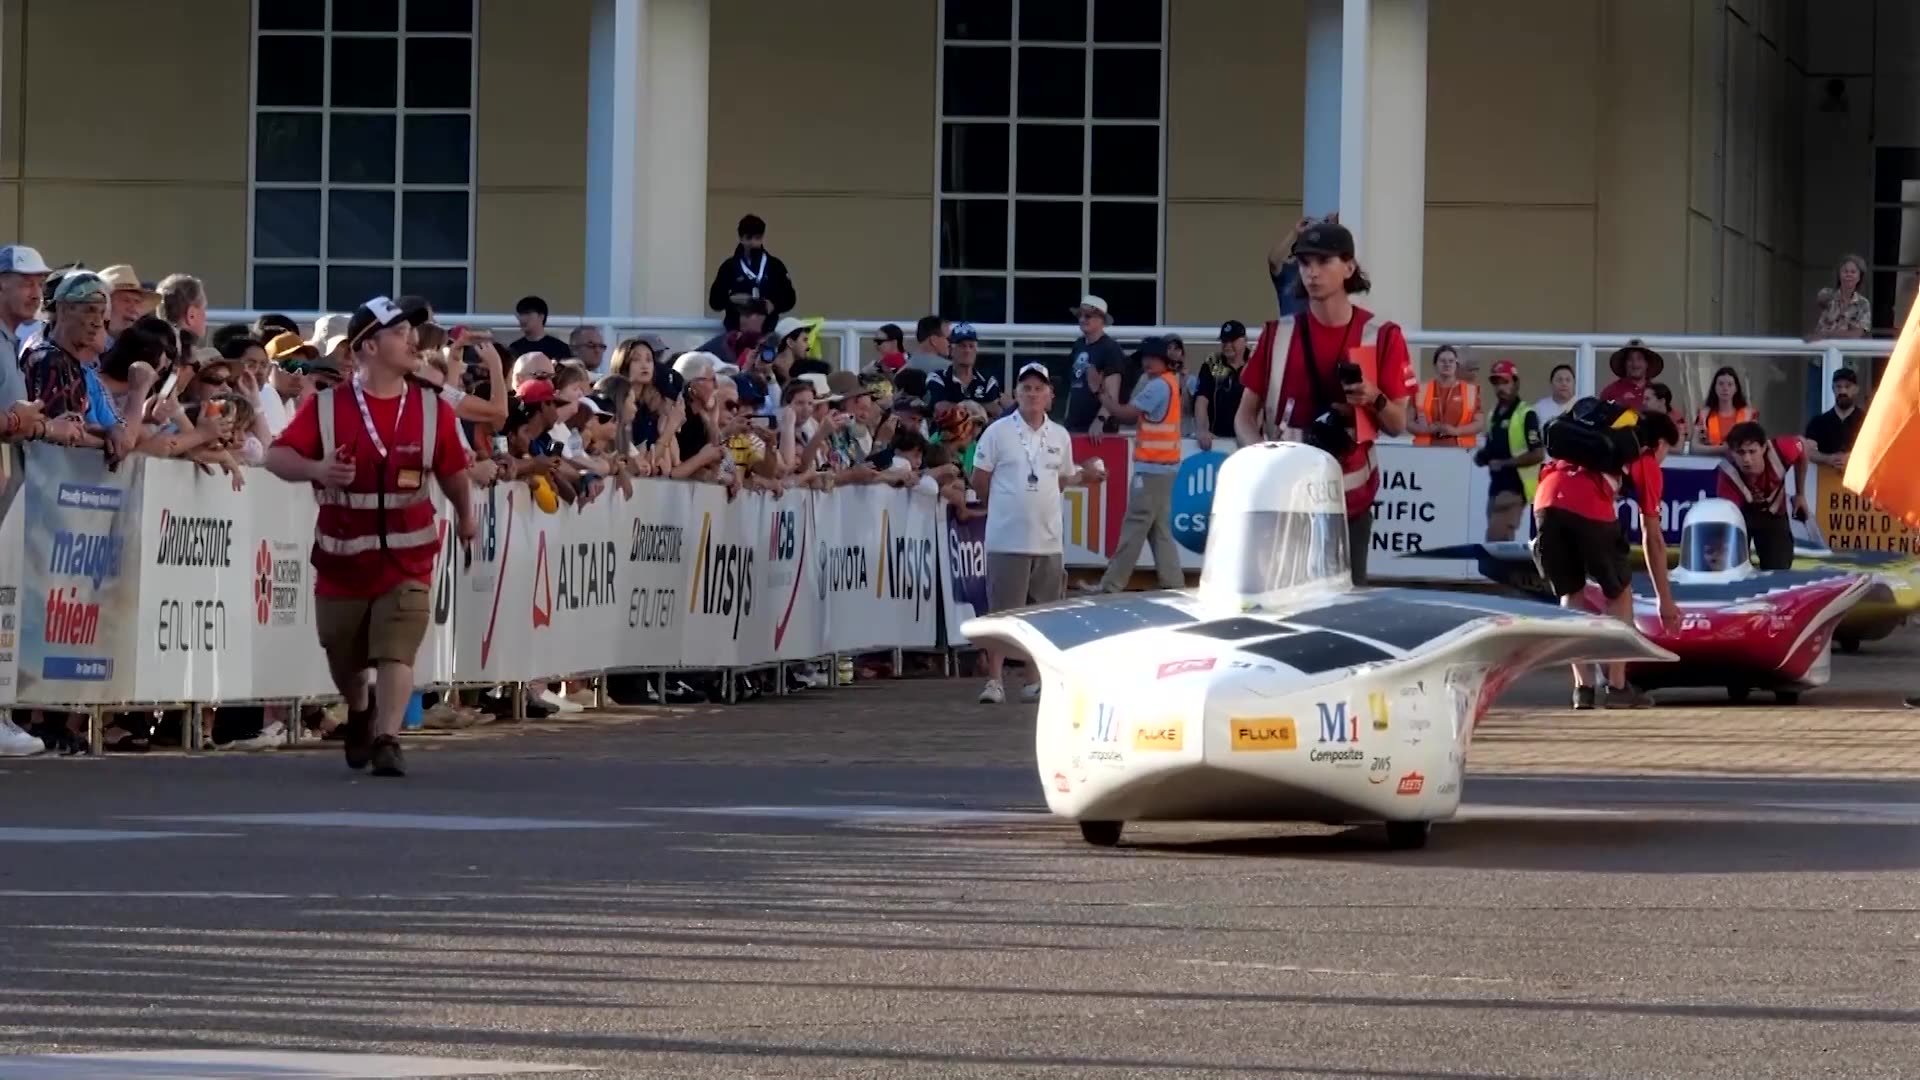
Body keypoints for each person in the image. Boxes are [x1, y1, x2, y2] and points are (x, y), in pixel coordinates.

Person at [265, 296, 475, 778]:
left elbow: (453, 473)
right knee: (344, 655)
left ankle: (388, 738)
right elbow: (276, 458)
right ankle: (358, 708)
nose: (413, 342)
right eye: (400, 334)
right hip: (342, 560)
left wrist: (467, 516)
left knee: (397, 650)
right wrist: (318, 469)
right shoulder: (326, 407)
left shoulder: (430, 408)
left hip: (409, 558)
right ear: (369, 347)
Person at [1233, 220, 1415, 585]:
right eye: (1304, 263)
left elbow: (1398, 423)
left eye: (1323, 262)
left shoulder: (1382, 336)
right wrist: (1261, 468)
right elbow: (1244, 418)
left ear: (1349, 268)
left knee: (1344, 614)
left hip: (1350, 504)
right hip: (1284, 502)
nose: (1311, 273)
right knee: (1280, 613)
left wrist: (1372, 397)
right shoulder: (1276, 334)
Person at [1531, 410, 1683, 710]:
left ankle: (1582, 689)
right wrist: (1665, 600)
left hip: (1546, 499)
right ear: (1661, 443)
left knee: (1570, 592)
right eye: (1669, 451)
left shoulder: (1588, 443)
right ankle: (1617, 687)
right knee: (1619, 591)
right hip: (1588, 503)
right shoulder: (1646, 459)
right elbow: (1652, 538)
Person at [972, 363, 1104, 704]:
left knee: (1043, 615)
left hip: (1047, 538)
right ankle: (995, 681)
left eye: (1038, 388)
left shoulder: (1059, 435)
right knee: (1002, 614)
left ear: (1050, 396)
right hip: (1006, 538)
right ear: (1016, 394)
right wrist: (1005, 507)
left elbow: (1061, 478)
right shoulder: (997, 432)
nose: (1032, 394)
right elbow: (980, 479)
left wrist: (1084, 477)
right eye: (1026, 388)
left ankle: (1034, 680)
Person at [1092, 337, 1184, 593]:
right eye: (1145, 357)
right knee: (1159, 530)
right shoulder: (1168, 383)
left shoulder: (1157, 386)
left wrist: (1100, 393)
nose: (1146, 361)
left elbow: (1126, 414)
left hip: (1153, 468)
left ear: (1162, 359)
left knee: (1134, 526)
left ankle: (1111, 585)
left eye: (1150, 357)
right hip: (1163, 468)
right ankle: (1173, 584)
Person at [1716, 421, 1810, 570]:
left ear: (1764, 447)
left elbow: (1803, 446)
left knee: (1779, 568)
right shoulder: (1727, 475)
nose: (1747, 459)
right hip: (1742, 516)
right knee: (1731, 566)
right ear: (1732, 453)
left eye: (1752, 451)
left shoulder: (1782, 450)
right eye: (1740, 452)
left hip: (1774, 515)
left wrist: (1800, 494)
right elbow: (1729, 519)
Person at [1475, 360, 1543, 541]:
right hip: (1496, 486)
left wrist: (1504, 463)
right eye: (1496, 383)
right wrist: (1483, 456)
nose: (1500, 388)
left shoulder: (1526, 414)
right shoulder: (1494, 414)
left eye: (1505, 382)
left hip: (1515, 486)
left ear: (1516, 383)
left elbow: (1537, 454)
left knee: (1497, 539)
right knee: (1498, 540)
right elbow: (1493, 447)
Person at [708, 214, 796, 327]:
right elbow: (714, 302)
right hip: (736, 333)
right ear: (741, 238)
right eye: (749, 238)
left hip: (767, 331)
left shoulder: (775, 266)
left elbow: (790, 299)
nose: (753, 243)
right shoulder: (729, 267)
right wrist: (731, 299)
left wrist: (774, 305)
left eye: (757, 238)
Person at [1410, 344, 1482, 447]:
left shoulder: (1471, 390)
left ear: (1456, 365)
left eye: (1451, 361)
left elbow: (1478, 424)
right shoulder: (1420, 390)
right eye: (1442, 361)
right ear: (1435, 365)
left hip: (1461, 452)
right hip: (1425, 451)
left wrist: (1456, 431)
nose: (1447, 364)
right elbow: (1408, 422)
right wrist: (1426, 430)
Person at [1191, 320, 1247, 452]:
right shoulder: (1212, 364)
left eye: (1232, 341)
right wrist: (1202, 430)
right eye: (1224, 341)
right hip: (1216, 441)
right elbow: (1201, 400)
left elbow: (1262, 403)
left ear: (1244, 340)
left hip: (1247, 441)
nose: (1227, 345)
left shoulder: (1255, 363)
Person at [1805, 367, 1864, 468]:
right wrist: (1828, 459)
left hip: (1858, 481)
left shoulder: (1867, 422)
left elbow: (1878, 449)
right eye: (1838, 387)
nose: (1843, 391)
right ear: (1833, 389)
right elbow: (1808, 451)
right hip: (1825, 481)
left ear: (1856, 389)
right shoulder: (1819, 422)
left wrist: (1852, 458)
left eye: (1847, 386)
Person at [1691, 366, 1754, 454]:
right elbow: (1694, 447)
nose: (1725, 388)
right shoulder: (1704, 415)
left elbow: (1755, 445)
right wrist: (1720, 449)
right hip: (1711, 463)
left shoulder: (1748, 415)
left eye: (1730, 384)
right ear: (1715, 387)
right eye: (1721, 384)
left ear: (1736, 388)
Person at [1597, 340, 1660, 410]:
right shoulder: (1610, 391)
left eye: (1639, 358)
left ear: (1647, 364)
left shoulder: (1658, 391)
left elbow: (1670, 416)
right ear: (1624, 364)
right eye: (1630, 359)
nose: (1635, 363)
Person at [1534, 363, 1576, 428]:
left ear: (1574, 383)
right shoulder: (1539, 408)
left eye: (1568, 380)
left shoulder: (1582, 406)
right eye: (1559, 380)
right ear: (1551, 383)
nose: (1564, 384)